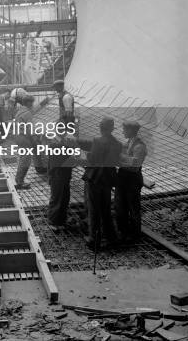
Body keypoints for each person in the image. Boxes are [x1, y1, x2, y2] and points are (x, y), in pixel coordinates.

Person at [83, 117, 121, 250]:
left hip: (95, 178)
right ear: (111, 129)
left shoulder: (97, 141)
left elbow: (93, 159)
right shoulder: (117, 143)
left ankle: (94, 239)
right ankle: (112, 237)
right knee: (106, 209)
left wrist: (86, 155)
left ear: (101, 128)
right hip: (108, 179)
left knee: (93, 209)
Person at [47, 80, 76, 231]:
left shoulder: (66, 97)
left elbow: (69, 114)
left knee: (63, 195)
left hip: (61, 173)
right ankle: (54, 222)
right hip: (59, 173)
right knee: (58, 196)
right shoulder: (57, 144)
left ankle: (60, 219)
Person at [115, 120, 147, 241]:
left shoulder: (140, 146)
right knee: (120, 206)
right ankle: (123, 231)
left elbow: (135, 167)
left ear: (131, 130)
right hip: (122, 179)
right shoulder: (127, 143)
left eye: (124, 129)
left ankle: (135, 234)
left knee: (133, 208)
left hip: (132, 181)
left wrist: (118, 161)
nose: (122, 131)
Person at [11, 89, 38, 189]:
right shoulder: (27, 113)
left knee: (23, 158)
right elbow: (31, 129)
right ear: (28, 103)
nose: (32, 104)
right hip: (24, 138)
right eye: (32, 103)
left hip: (18, 137)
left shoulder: (20, 111)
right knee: (26, 159)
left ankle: (18, 179)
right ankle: (20, 182)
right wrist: (35, 141)